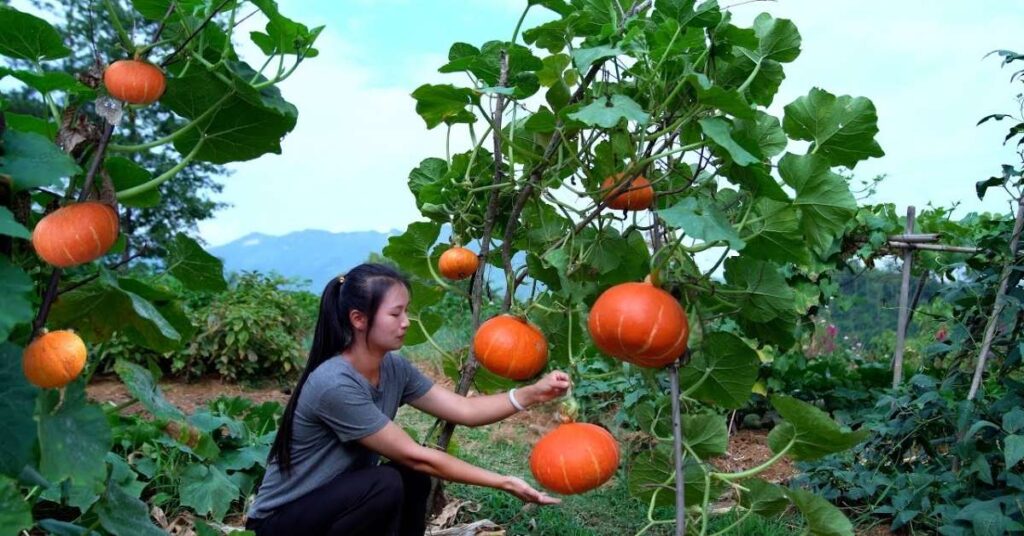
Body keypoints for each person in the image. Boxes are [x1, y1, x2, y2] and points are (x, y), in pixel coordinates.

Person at [245, 263, 571, 536]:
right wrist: (503, 481)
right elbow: (419, 455)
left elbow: (464, 410)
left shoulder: (393, 368)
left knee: (410, 477)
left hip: (335, 505)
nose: (406, 322)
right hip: (278, 524)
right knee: (387, 481)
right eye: (395, 313)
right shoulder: (334, 383)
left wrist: (533, 393)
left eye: (406, 312)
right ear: (359, 319)